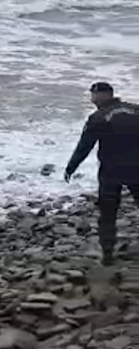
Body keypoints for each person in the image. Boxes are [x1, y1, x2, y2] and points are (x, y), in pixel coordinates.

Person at [64, 82, 139, 265]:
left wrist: (71, 167)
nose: (92, 99)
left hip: (111, 172)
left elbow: (85, 146)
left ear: (101, 95)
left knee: (108, 214)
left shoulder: (98, 117)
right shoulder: (136, 110)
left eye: (93, 95)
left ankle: (107, 255)